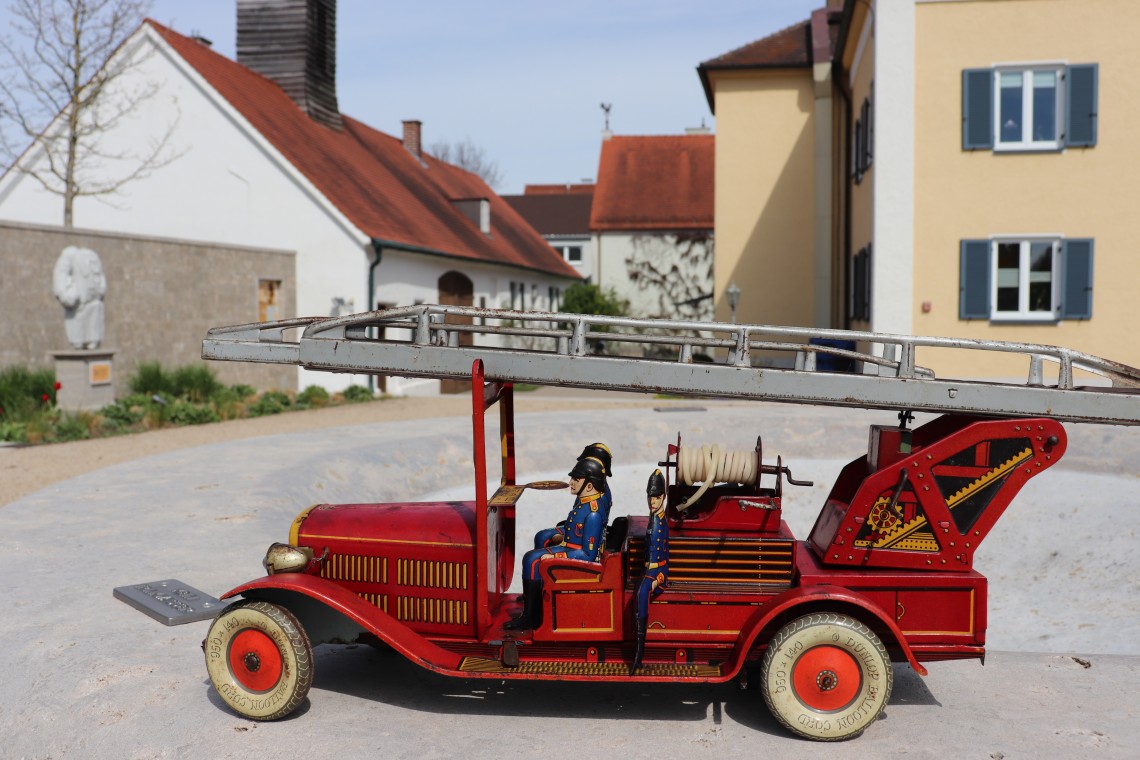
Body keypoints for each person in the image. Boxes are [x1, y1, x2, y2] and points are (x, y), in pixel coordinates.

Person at [506, 452, 611, 630]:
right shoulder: (585, 502)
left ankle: (531, 618)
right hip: (570, 544)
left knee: (531, 560)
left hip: (577, 554)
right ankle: (535, 596)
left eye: (576, 480)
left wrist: (557, 556)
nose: (571, 483)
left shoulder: (593, 512)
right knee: (542, 538)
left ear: (589, 486)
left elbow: (588, 554)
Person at [532, 442, 613, 551]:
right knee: (542, 536)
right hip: (577, 526)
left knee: (541, 542)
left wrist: (567, 540)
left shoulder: (599, 495)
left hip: (583, 534)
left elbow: (594, 529)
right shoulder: (588, 488)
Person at [631, 469, 669, 673]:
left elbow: (664, 552)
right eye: (650, 497)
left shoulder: (660, 522)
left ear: (662, 497)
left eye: (656, 497)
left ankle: (639, 655)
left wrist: (662, 576)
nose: (652, 501)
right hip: (648, 568)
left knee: (641, 593)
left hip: (656, 570)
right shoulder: (653, 518)